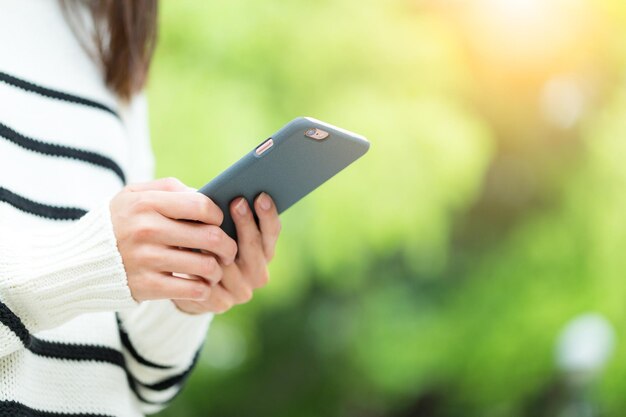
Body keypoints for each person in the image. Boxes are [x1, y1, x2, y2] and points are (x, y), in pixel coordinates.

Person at [0, 1, 282, 416]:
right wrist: (90, 259)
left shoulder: (104, 29)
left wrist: (186, 294)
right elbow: (93, 261)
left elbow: (132, 377)